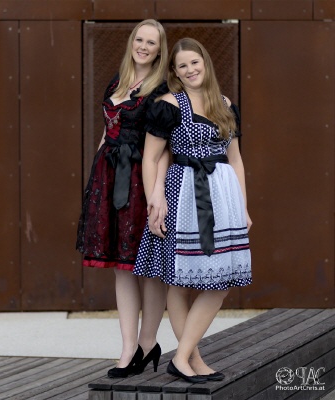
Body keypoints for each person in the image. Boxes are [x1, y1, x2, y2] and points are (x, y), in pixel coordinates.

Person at [133, 37, 252, 383]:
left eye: (194, 63)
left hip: (223, 197)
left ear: (205, 64)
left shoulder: (225, 104)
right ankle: (190, 360)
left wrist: (243, 207)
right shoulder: (169, 105)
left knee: (220, 280)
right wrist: (155, 200)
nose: (190, 70)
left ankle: (183, 356)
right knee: (180, 279)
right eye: (182, 65)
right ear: (174, 71)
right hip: (184, 194)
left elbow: (236, 159)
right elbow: (151, 158)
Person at [76, 19, 169, 378]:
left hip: (140, 179)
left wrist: (157, 192)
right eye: (139, 39)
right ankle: (128, 347)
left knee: (148, 267)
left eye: (151, 42)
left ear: (159, 50)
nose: (143, 46)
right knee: (121, 266)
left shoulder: (161, 89)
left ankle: (148, 342)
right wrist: (95, 179)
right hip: (110, 175)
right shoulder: (118, 81)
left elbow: (164, 147)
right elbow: (107, 130)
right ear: (132, 42)